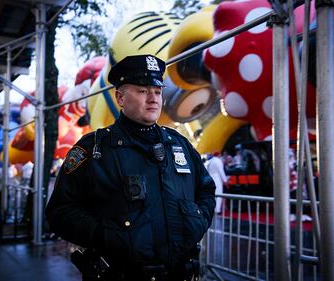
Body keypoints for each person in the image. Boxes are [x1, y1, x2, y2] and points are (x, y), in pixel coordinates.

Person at [46, 54, 216, 281]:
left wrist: (196, 221)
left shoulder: (179, 144)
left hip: (181, 273)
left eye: (157, 91)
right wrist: (108, 235)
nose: (153, 98)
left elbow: (205, 189)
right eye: (142, 91)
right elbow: (60, 212)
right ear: (120, 98)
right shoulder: (94, 149)